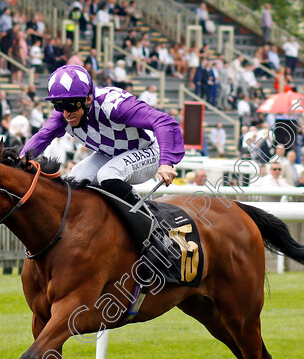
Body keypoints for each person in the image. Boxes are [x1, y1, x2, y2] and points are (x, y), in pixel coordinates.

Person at [20, 65, 184, 251]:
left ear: (88, 99)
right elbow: (41, 137)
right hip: (111, 154)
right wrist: (18, 162)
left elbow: (165, 122)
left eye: (71, 105)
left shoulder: (115, 106)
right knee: (72, 181)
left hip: (149, 150)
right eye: (59, 106)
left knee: (108, 174)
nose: (66, 113)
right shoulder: (63, 116)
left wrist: (166, 162)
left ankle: (155, 233)